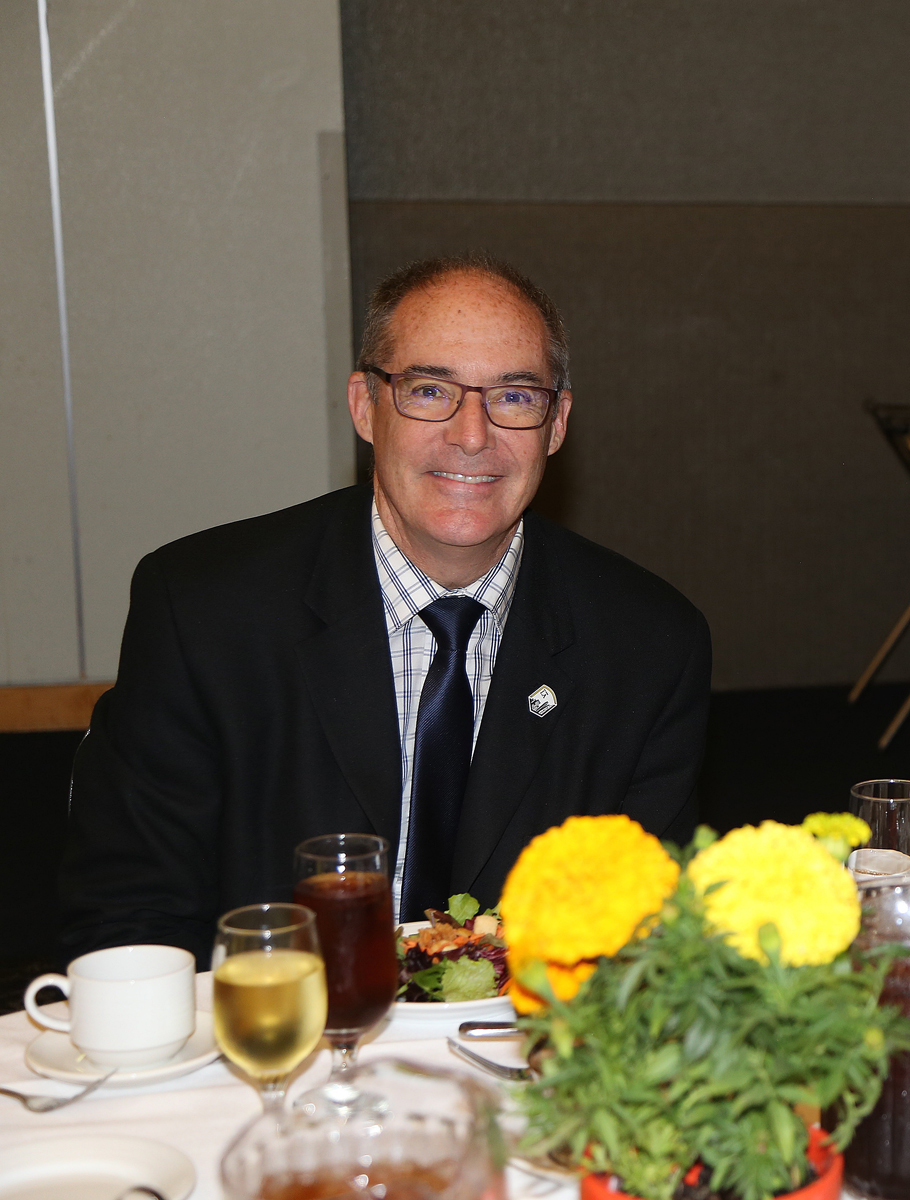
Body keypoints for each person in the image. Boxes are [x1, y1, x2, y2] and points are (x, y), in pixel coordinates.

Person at [60, 255, 711, 962]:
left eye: (515, 398)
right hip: (278, 1047)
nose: (471, 434)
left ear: (556, 425)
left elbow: (651, 940)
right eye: (430, 390)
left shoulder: (649, 646)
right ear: (365, 407)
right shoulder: (203, 611)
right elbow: (127, 916)